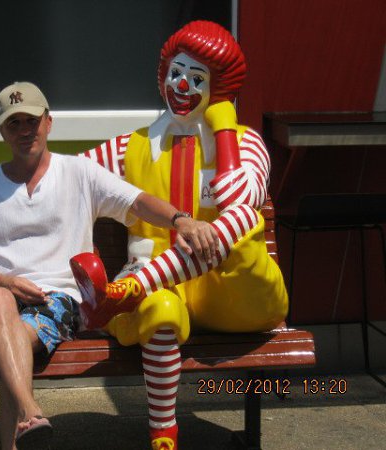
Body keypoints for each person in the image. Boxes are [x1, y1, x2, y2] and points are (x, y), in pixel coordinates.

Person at [0, 80, 217, 450]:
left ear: (48, 122)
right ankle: (30, 412)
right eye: (14, 123)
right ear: (2, 131)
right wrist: (6, 282)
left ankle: (19, 431)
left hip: (56, 299)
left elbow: (138, 202)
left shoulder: (78, 172)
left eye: (31, 120)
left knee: (10, 344)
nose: (24, 130)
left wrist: (181, 220)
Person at [69, 21, 288, 450]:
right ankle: (163, 436)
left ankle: (127, 290)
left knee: (244, 218)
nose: (182, 85)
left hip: (234, 298)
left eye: (197, 78)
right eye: (176, 72)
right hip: (160, 296)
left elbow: (243, 197)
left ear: (219, 90)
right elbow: (61, 177)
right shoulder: (129, 148)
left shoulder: (246, 143)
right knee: (163, 309)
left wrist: (224, 130)